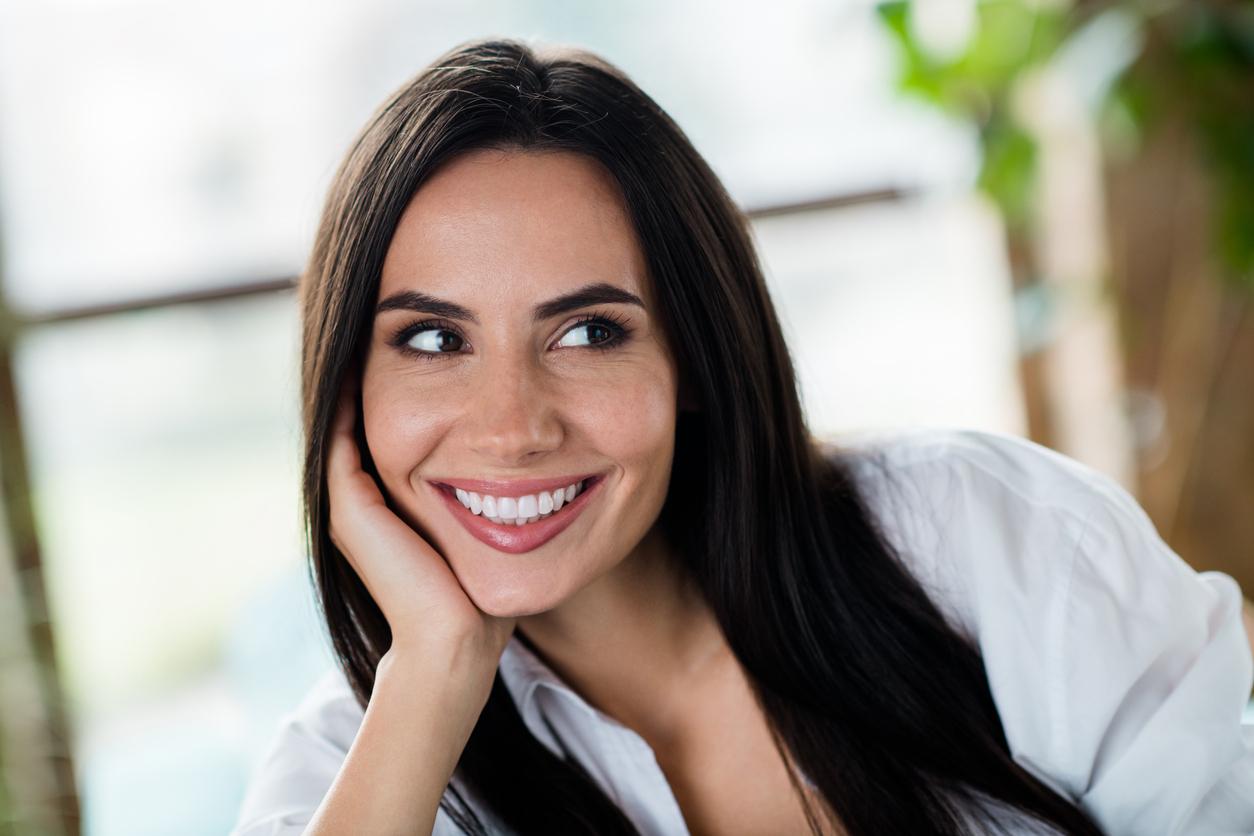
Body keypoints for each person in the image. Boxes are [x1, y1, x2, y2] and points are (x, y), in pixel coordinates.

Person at [230, 37, 1254, 836]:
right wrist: (435, 671)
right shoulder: (353, 775)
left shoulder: (999, 547)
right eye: (432, 338)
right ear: (347, 389)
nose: (513, 428)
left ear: (695, 355)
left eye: (589, 332)